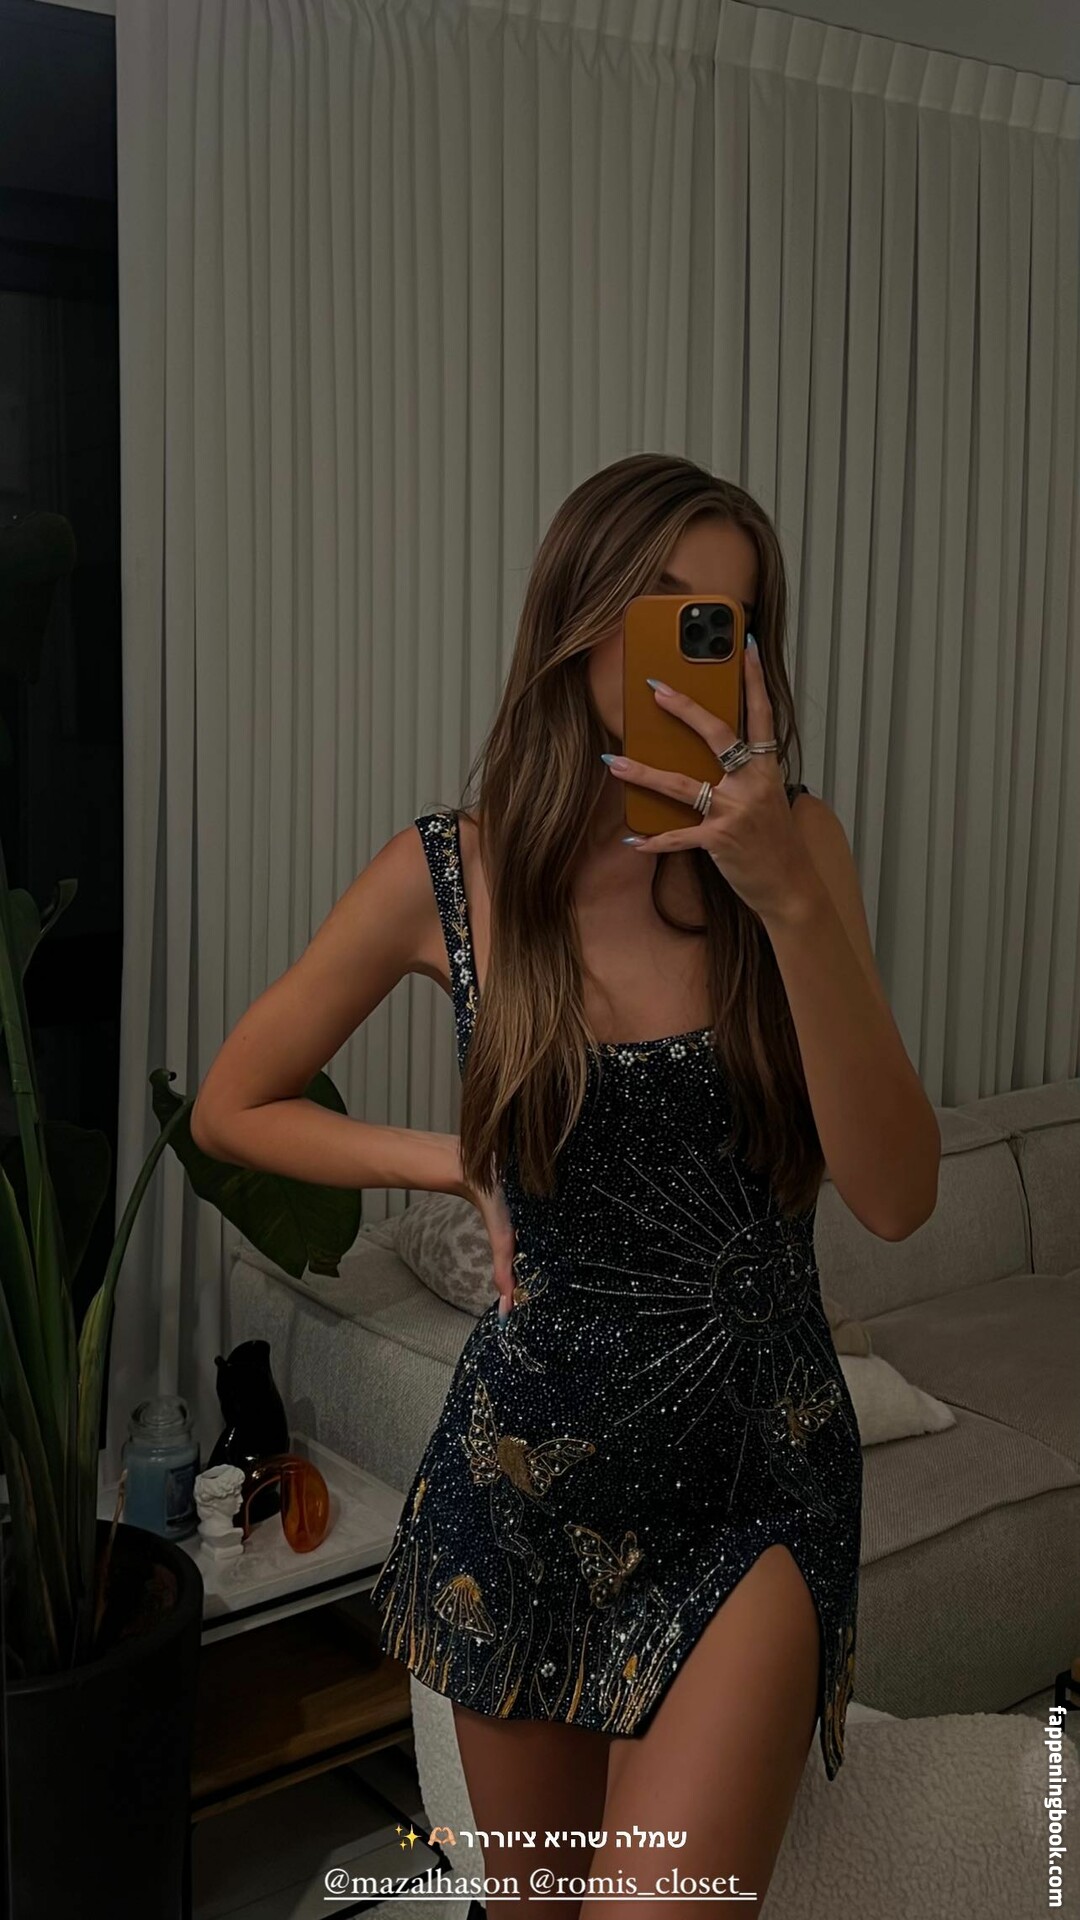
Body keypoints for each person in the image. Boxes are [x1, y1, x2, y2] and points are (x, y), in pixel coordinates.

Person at [191, 452, 941, 1917]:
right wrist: (445, 1161)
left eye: (728, 623)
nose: (692, 650)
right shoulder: (457, 875)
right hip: (526, 1489)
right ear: (579, 614)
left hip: (754, 1480)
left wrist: (788, 896)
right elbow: (233, 1102)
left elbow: (899, 1196)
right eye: (664, 605)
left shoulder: (801, 855)